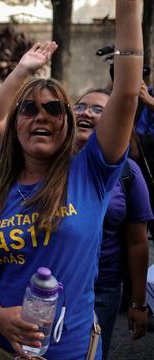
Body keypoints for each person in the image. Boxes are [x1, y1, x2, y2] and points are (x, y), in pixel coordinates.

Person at [0, 0, 143, 358]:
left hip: (68, 351)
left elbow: (128, 93)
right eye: (29, 109)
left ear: (67, 124)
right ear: (16, 125)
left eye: (54, 108)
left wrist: (129, 7)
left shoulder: (91, 174)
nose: (41, 115)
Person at [73, 88, 152, 359]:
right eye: (80, 106)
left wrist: (139, 302)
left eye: (98, 110)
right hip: (48, 284)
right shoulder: (44, 162)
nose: (86, 112)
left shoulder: (129, 172)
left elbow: (137, 242)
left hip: (102, 289)